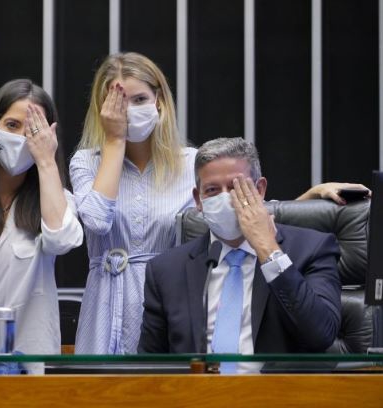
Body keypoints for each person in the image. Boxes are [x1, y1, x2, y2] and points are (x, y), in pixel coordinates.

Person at [70, 51, 358, 355]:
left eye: (139, 99)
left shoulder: (191, 162)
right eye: (117, 102)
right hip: (106, 301)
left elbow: (240, 211)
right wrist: (114, 141)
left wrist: (311, 197)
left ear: (160, 101)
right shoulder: (87, 162)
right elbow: (97, 221)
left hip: (173, 299)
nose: (128, 110)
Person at [138, 138, 341, 370]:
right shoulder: (166, 270)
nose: (227, 199)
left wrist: (268, 249)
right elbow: (150, 365)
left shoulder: (312, 248)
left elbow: (320, 334)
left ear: (260, 189)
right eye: (212, 190)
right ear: (198, 200)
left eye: (236, 187)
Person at [0, 79, 83, 364]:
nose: (23, 137)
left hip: (30, 360)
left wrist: (46, 161)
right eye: (12, 125)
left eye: (33, 130)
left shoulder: (55, 196)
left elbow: (62, 240)